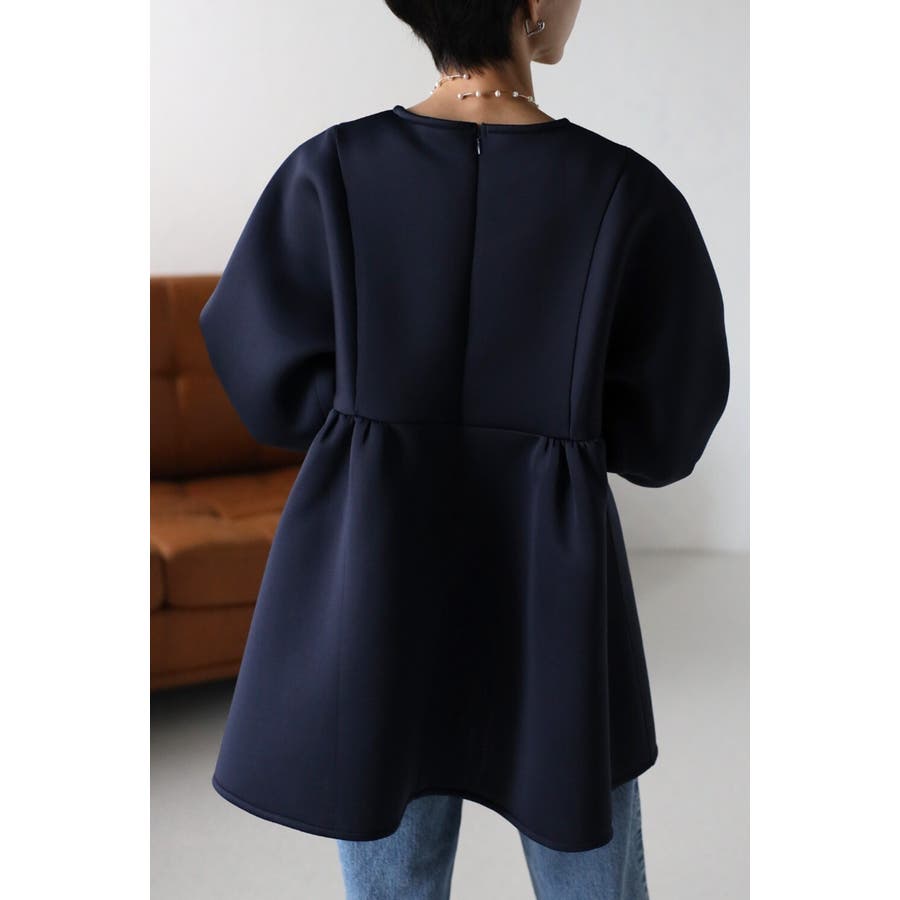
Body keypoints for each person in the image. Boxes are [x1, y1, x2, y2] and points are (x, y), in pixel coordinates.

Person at [198, 1, 730, 897]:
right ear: (529, 4)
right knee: (587, 859)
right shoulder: (623, 190)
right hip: (552, 577)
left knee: (391, 858)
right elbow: (670, 423)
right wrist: (568, 428)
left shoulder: (332, 169)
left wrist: (370, 427)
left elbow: (261, 369)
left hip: (380, 562)